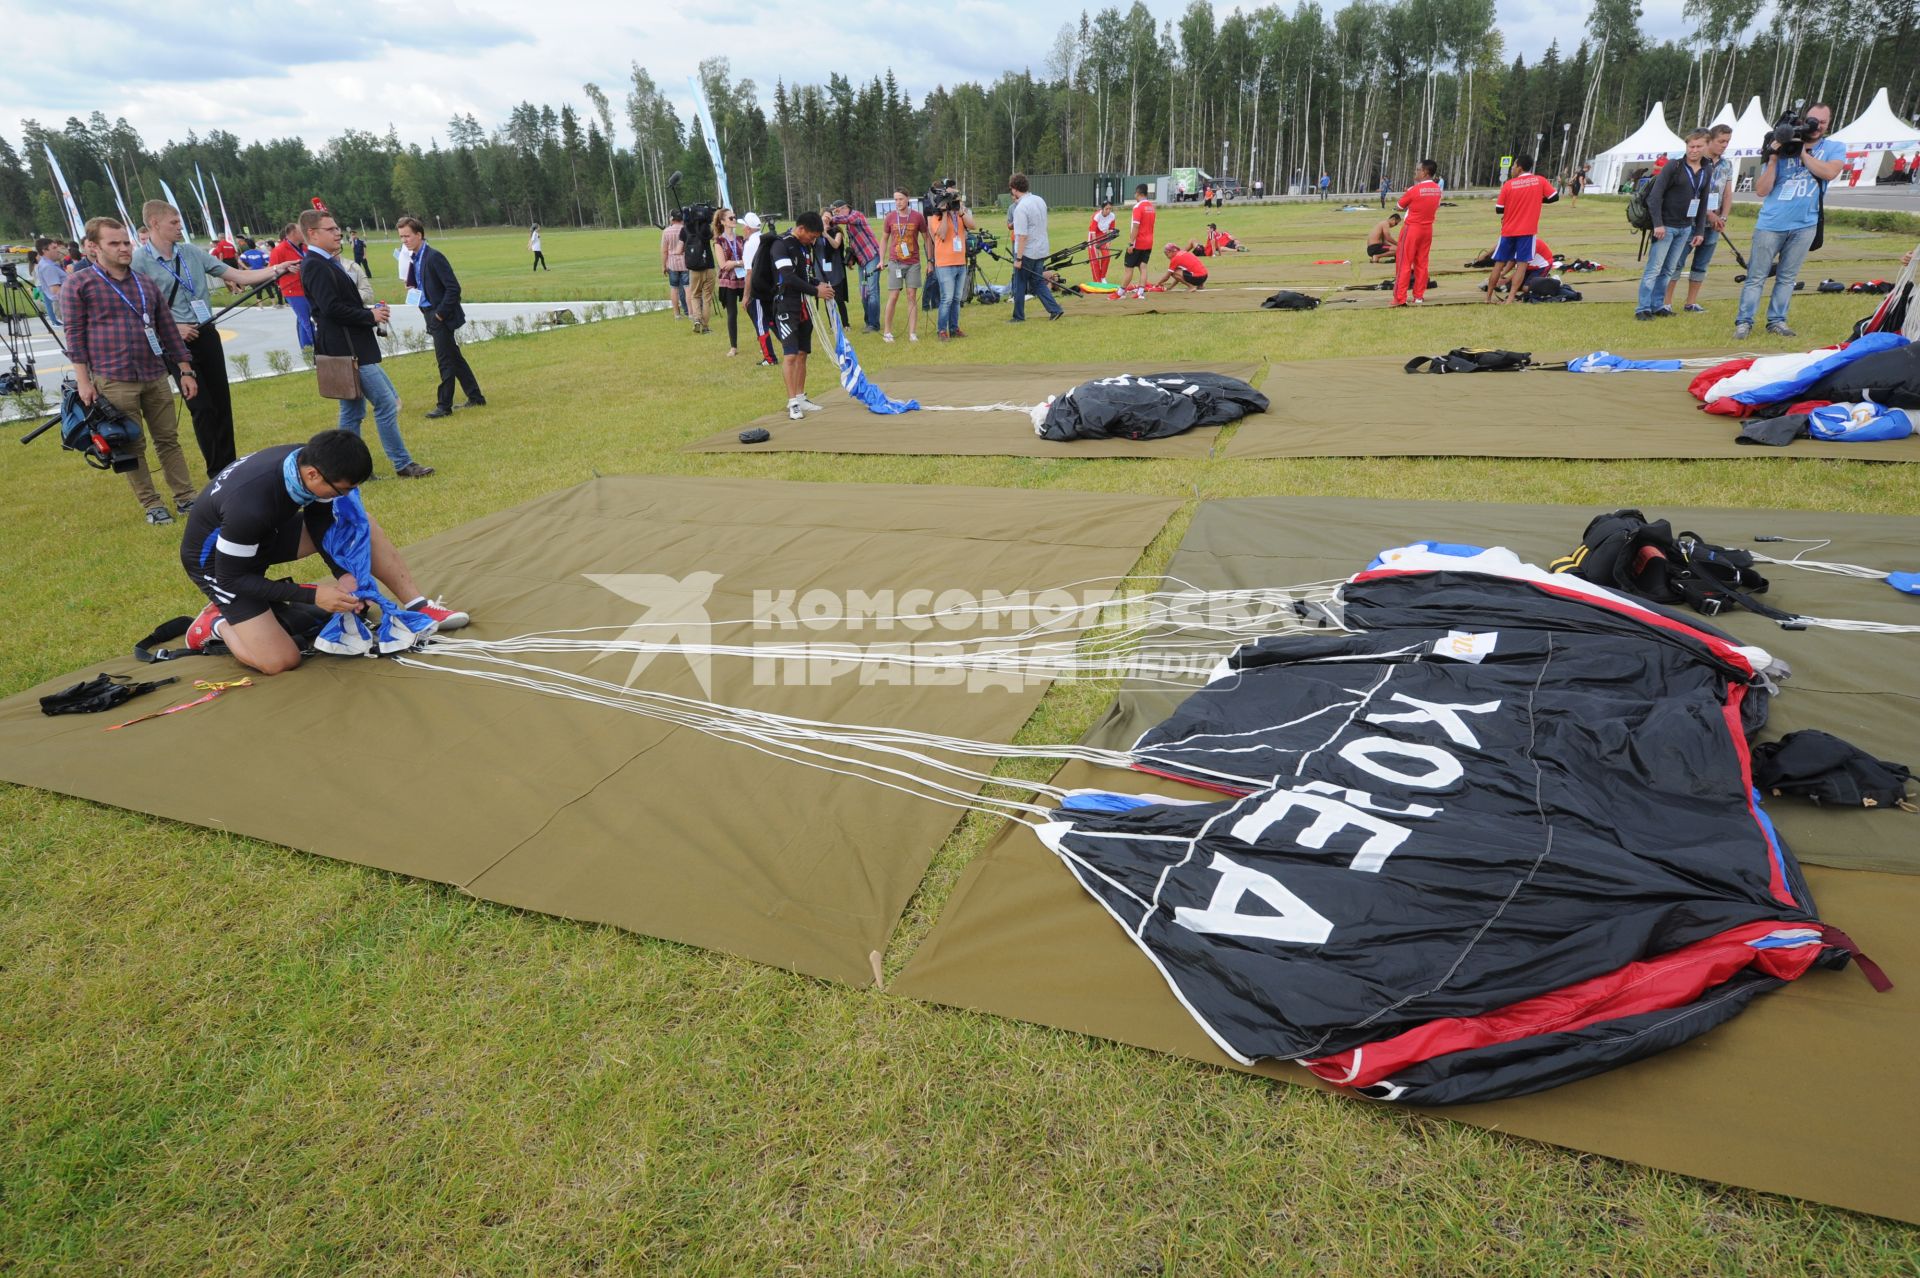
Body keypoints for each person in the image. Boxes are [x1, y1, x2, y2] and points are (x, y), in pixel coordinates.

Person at [177, 430, 468, 674]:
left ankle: (417, 605)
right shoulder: (250, 507)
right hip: (217, 566)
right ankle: (215, 624)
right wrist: (314, 595)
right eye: (342, 489)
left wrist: (342, 574)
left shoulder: (306, 462)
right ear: (314, 474)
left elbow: (320, 521)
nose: (345, 495)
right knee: (280, 661)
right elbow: (233, 578)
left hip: (264, 536)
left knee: (362, 523)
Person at [132, 200, 299, 476]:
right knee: (201, 406)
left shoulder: (191, 253)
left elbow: (237, 275)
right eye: (173, 223)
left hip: (205, 331)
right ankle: (216, 472)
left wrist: (277, 270)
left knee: (221, 403)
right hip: (175, 339)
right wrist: (172, 328)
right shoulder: (140, 261)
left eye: (179, 221)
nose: (179, 227)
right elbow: (139, 309)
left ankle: (230, 467)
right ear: (154, 224)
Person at [62, 217, 200, 524]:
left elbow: (166, 328)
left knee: (169, 440)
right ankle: (152, 505)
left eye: (126, 242)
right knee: (130, 445)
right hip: (113, 379)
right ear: (93, 247)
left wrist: (185, 370)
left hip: (154, 374)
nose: (124, 248)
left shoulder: (144, 282)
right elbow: (74, 336)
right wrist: (84, 383)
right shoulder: (79, 284)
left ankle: (186, 498)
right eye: (115, 243)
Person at [298, 209, 433, 479]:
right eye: (331, 229)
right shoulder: (315, 264)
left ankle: (345, 468)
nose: (338, 233)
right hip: (347, 349)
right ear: (312, 234)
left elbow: (338, 305)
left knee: (352, 409)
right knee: (385, 403)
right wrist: (368, 316)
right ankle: (402, 463)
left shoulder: (327, 262)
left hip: (351, 345)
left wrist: (369, 314)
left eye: (338, 228)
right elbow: (331, 309)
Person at [1735, 103, 1846, 340]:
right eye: (1813, 120)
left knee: (1787, 277)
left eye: (1822, 122)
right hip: (1771, 223)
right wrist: (1774, 157)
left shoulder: (1834, 147)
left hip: (1805, 224)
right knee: (1756, 275)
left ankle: (1777, 321)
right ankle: (1744, 322)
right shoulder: (1782, 144)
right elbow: (1762, 190)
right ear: (1804, 119)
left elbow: (1829, 173)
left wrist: (1802, 152)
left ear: (1828, 124)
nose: (1816, 126)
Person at [396, 215, 485, 418]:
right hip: (429, 313)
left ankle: (444, 405)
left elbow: (453, 288)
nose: (404, 241)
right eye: (401, 237)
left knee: (445, 360)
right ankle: (476, 396)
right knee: (454, 357)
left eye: (407, 236)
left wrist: (439, 315)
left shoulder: (434, 257)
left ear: (419, 235)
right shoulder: (415, 258)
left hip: (440, 316)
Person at [1636, 131, 1711, 320]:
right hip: (1666, 226)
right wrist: (1658, 224)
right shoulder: (1674, 166)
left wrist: (1700, 230)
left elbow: (1703, 202)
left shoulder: (1706, 169)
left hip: (1685, 227)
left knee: (1669, 269)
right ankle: (1643, 307)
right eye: (1691, 146)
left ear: (1706, 147)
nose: (1694, 150)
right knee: (1654, 268)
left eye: (1698, 146)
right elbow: (1655, 197)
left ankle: (1658, 304)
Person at [770, 211, 834, 421]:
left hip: (805, 307)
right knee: (789, 355)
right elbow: (788, 277)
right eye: (812, 236)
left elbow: (804, 276)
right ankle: (792, 403)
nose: (813, 240)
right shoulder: (781, 245)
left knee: (802, 353)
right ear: (801, 229)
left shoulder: (805, 247)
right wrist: (816, 291)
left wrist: (818, 284)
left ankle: (801, 396)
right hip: (787, 307)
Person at [1666, 124, 1734, 314]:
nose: (1724, 145)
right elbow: (1691, 194)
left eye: (1727, 142)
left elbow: (1727, 194)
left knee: (1701, 263)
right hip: (1691, 219)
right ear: (1708, 141)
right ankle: (1666, 302)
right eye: (1720, 141)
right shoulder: (1696, 163)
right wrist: (1710, 214)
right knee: (1676, 261)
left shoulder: (1726, 165)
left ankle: (1691, 302)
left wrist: (1723, 217)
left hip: (1714, 223)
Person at [1484, 155, 1558, 303]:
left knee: (1498, 265)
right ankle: (1510, 298)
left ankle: (1488, 297)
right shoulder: (1540, 180)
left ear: (1519, 167)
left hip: (1508, 230)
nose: (1512, 169)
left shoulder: (1509, 184)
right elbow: (1554, 197)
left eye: (1513, 166)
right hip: (1527, 231)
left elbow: (1499, 209)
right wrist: (1537, 199)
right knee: (1522, 266)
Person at [1007, 173, 1064, 323]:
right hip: (1041, 249)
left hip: (1027, 252)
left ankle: (1018, 316)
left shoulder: (1020, 208)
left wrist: (1018, 258)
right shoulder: (1039, 200)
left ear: (1014, 189)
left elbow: (1022, 236)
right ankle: (1055, 309)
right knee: (1037, 281)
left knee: (1019, 284)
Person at [1392, 159, 1443, 307]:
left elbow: (1399, 206)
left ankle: (1400, 297)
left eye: (1418, 170)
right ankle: (1419, 296)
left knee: (1404, 262)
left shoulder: (1414, 190)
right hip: (1427, 229)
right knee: (1422, 263)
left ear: (1425, 172)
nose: (1416, 172)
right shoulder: (1437, 189)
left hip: (1412, 228)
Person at [926, 189, 976, 341]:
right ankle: (942, 330)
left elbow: (972, 225)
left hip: (960, 262)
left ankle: (954, 328)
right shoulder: (935, 218)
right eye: (952, 202)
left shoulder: (960, 215)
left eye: (956, 201)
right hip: (945, 264)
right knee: (946, 298)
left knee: (956, 299)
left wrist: (960, 211)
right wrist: (946, 213)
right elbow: (941, 234)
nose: (954, 204)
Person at [827, 197, 882, 332]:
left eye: (837, 211)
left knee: (872, 291)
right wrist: (852, 259)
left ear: (845, 208)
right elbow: (854, 243)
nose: (836, 214)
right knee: (864, 293)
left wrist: (829, 218)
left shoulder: (856, 215)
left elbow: (843, 219)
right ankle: (868, 321)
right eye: (834, 212)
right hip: (862, 261)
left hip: (872, 257)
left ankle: (874, 324)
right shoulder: (848, 226)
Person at [881, 188, 926, 342]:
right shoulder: (890, 218)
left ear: (908, 199)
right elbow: (884, 239)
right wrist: (881, 259)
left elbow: (927, 239)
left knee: (911, 295)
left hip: (913, 262)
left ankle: (912, 333)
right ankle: (887, 332)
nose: (898, 202)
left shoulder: (918, 217)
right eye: (895, 199)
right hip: (895, 262)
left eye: (900, 199)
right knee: (893, 296)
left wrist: (930, 260)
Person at [739, 211, 776, 365]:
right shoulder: (764, 239)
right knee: (772, 319)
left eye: (743, 227)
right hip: (770, 286)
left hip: (757, 290)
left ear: (748, 228)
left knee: (761, 323)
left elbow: (749, 273)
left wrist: (746, 296)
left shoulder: (750, 244)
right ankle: (790, 346)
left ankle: (769, 357)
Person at [267, 222, 312, 346]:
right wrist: (285, 271)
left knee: (304, 320)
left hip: (308, 288)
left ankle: (307, 348)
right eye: (301, 231)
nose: (304, 233)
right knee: (307, 321)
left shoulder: (304, 247)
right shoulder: (279, 250)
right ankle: (319, 349)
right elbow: (271, 271)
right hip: (293, 291)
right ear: (293, 233)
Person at [713, 207, 747, 356]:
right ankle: (733, 347)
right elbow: (723, 265)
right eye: (731, 218)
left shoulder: (741, 239)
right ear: (723, 222)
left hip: (744, 279)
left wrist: (734, 262)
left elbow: (747, 261)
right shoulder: (718, 241)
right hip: (728, 281)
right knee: (732, 314)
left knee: (752, 309)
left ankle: (763, 341)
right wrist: (740, 262)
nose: (734, 220)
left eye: (734, 217)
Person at [1120, 183, 1156, 290]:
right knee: (1143, 267)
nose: (1134, 195)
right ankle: (1140, 292)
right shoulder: (1151, 207)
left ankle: (1121, 292)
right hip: (1149, 242)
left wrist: (1131, 243)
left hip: (1138, 242)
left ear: (1139, 193)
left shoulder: (1138, 207)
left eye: (1135, 193)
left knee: (1128, 268)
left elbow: (1136, 226)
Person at [660, 210, 690, 320]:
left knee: (674, 288)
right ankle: (690, 313)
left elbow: (664, 251)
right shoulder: (686, 230)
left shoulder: (666, 231)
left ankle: (677, 314)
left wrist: (663, 265)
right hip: (685, 263)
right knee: (687, 288)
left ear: (672, 219)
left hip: (672, 264)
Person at [33, 237, 68, 326]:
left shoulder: (46, 264)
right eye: (54, 248)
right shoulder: (49, 267)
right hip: (64, 304)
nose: (58, 250)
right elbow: (55, 290)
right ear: (45, 250)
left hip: (62, 303)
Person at [1088, 200, 1116, 282]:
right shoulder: (1097, 216)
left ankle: (1103, 277)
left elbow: (1111, 229)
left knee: (1106, 256)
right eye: (1106, 209)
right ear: (1102, 209)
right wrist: (1096, 246)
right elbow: (1093, 231)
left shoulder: (1112, 216)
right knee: (1095, 259)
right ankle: (1097, 280)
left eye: (1110, 209)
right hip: (1093, 236)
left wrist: (1108, 241)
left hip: (1103, 236)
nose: (1108, 211)